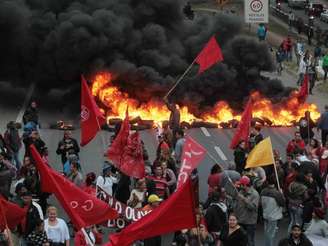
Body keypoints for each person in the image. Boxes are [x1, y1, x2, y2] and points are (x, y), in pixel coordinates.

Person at [233, 176, 259, 246]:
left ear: (244, 185)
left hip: (249, 222)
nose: (239, 186)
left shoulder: (255, 194)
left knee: (250, 240)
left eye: (241, 184)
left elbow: (253, 207)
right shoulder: (241, 191)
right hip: (240, 220)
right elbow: (237, 205)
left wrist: (244, 199)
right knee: (241, 240)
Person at [261, 176, 285, 246]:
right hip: (273, 216)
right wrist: (282, 194)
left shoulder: (263, 191)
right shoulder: (277, 193)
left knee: (266, 233)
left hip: (265, 214)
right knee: (271, 234)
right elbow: (282, 203)